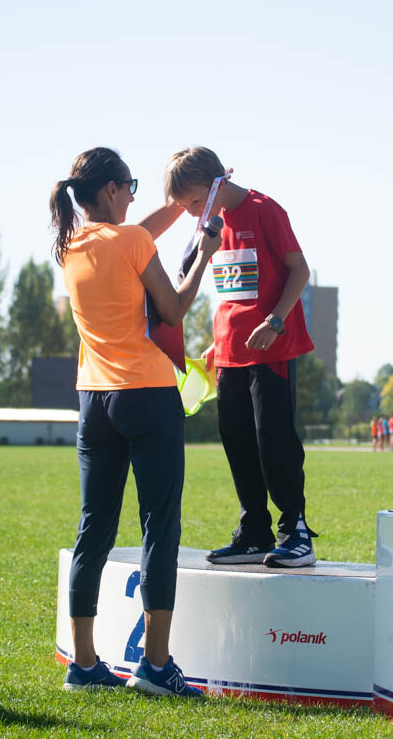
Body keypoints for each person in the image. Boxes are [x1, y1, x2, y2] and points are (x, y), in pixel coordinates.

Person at [51, 147, 220, 696]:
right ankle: (155, 665)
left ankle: (83, 665)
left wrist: (178, 206)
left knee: (93, 529)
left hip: (93, 399)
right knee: (159, 527)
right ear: (109, 190)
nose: (132, 195)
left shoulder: (70, 245)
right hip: (147, 394)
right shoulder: (131, 241)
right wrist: (204, 255)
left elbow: (133, 235)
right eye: (129, 186)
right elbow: (173, 309)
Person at [144, 146, 318, 567]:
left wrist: (275, 321)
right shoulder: (210, 224)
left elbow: (300, 270)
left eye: (194, 201)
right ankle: (254, 531)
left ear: (218, 181)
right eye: (184, 205)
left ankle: (295, 532)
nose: (190, 212)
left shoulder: (265, 210)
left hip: (272, 348)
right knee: (236, 440)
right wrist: (216, 341)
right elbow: (233, 292)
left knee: (273, 439)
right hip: (228, 352)